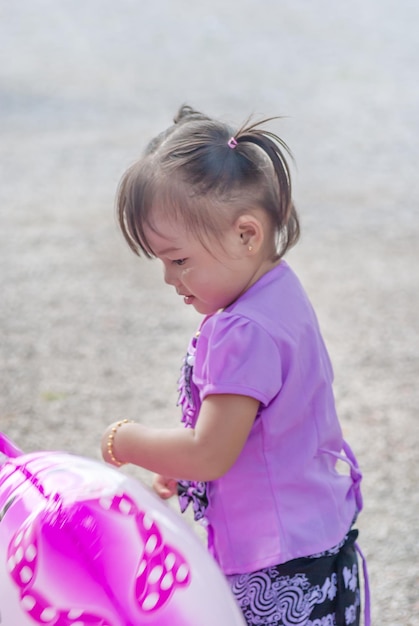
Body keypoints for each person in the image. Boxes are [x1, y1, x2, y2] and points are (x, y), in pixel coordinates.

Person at [101, 105, 369, 626]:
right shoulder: (280, 291)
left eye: (178, 259)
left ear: (246, 235)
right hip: (321, 540)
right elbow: (258, 434)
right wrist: (178, 468)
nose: (169, 278)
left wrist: (125, 439)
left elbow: (209, 452)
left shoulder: (240, 331)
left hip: (276, 568)